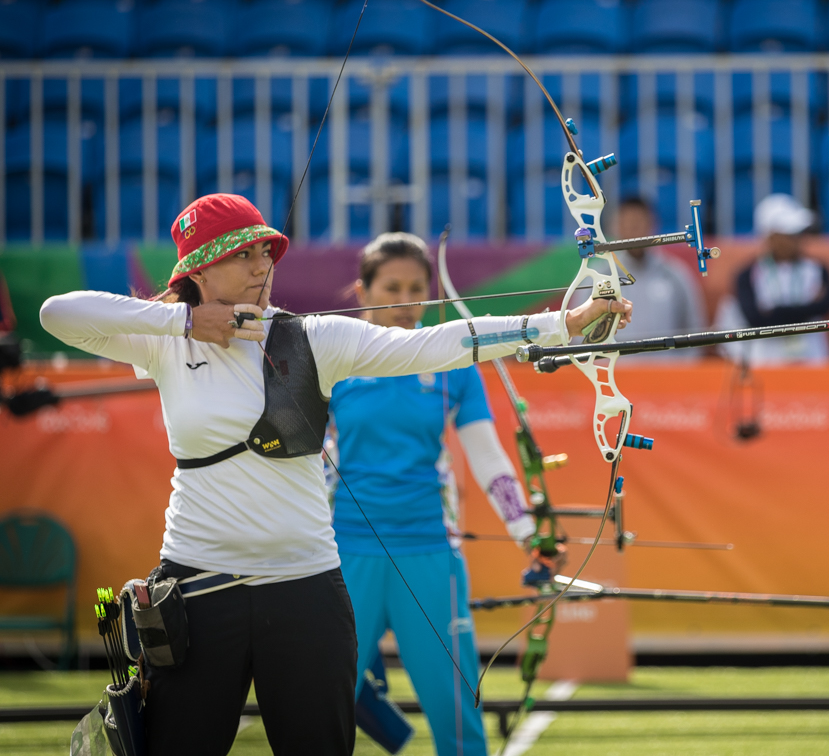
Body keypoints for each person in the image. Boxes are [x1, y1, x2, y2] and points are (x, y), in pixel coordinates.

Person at [37, 193, 630, 756]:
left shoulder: (314, 337)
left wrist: (565, 324)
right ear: (199, 270)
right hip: (197, 588)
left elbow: (437, 344)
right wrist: (187, 324)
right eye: (241, 253)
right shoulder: (164, 344)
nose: (261, 262)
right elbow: (57, 314)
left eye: (264, 249)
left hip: (304, 589)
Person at [328, 233, 536, 756]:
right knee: (321, 708)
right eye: (390, 288)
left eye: (416, 289)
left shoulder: (452, 361)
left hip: (430, 551)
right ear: (361, 290)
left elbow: (488, 458)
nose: (404, 302)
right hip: (343, 552)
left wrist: (529, 532)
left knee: (455, 711)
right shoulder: (330, 357)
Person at [714, 194, 829, 366]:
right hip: (766, 365)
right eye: (790, 234)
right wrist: (805, 310)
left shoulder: (818, 269)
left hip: (812, 362)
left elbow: (826, 306)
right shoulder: (748, 274)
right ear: (770, 236)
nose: (798, 239)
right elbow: (755, 319)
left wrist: (774, 311)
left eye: (799, 233)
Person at [597, 197, 707, 361]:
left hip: (668, 377)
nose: (633, 230)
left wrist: (682, 369)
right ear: (616, 227)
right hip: (613, 377)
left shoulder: (676, 275)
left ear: (652, 224)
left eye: (638, 223)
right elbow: (581, 334)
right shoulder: (599, 277)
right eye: (627, 224)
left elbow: (696, 330)